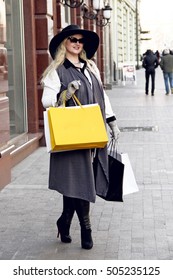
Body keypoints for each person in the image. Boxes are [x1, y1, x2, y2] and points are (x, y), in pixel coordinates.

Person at [41, 25, 120, 250]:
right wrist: (66, 94)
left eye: (80, 40)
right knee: (79, 180)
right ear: (64, 43)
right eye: (73, 39)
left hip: (92, 131)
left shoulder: (90, 67)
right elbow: (46, 102)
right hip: (69, 135)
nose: (77, 43)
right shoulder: (56, 71)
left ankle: (64, 220)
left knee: (75, 181)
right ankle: (86, 228)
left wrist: (112, 122)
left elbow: (102, 95)